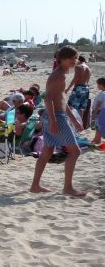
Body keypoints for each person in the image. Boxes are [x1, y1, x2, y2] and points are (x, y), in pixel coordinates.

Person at [30, 46, 85, 196]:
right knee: (75, 151)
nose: (75, 61)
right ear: (62, 59)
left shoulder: (62, 74)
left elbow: (61, 99)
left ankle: (35, 185)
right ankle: (67, 187)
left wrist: (74, 119)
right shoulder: (59, 75)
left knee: (47, 151)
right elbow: (47, 98)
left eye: (75, 58)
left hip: (54, 115)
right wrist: (54, 121)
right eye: (72, 58)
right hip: (55, 116)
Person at [66, 55, 91, 126]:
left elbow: (76, 78)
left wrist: (68, 88)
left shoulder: (78, 66)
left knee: (71, 106)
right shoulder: (88, 68)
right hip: (86, 88)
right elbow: (87, 80)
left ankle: (72, 123)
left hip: (79, 88)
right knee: (81, 107)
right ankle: (80, 124)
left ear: (78, 60)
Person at [90, 77, 105, 145]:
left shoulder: (102, 94)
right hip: (102, 112)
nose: (97, 86)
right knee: (99, 126)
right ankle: (97, 139)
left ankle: (97, 139)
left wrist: (94, 113)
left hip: (99, 112)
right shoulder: (103, 93)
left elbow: (98, 105)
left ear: (101, 85)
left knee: (97, 126)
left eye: (98, 85)